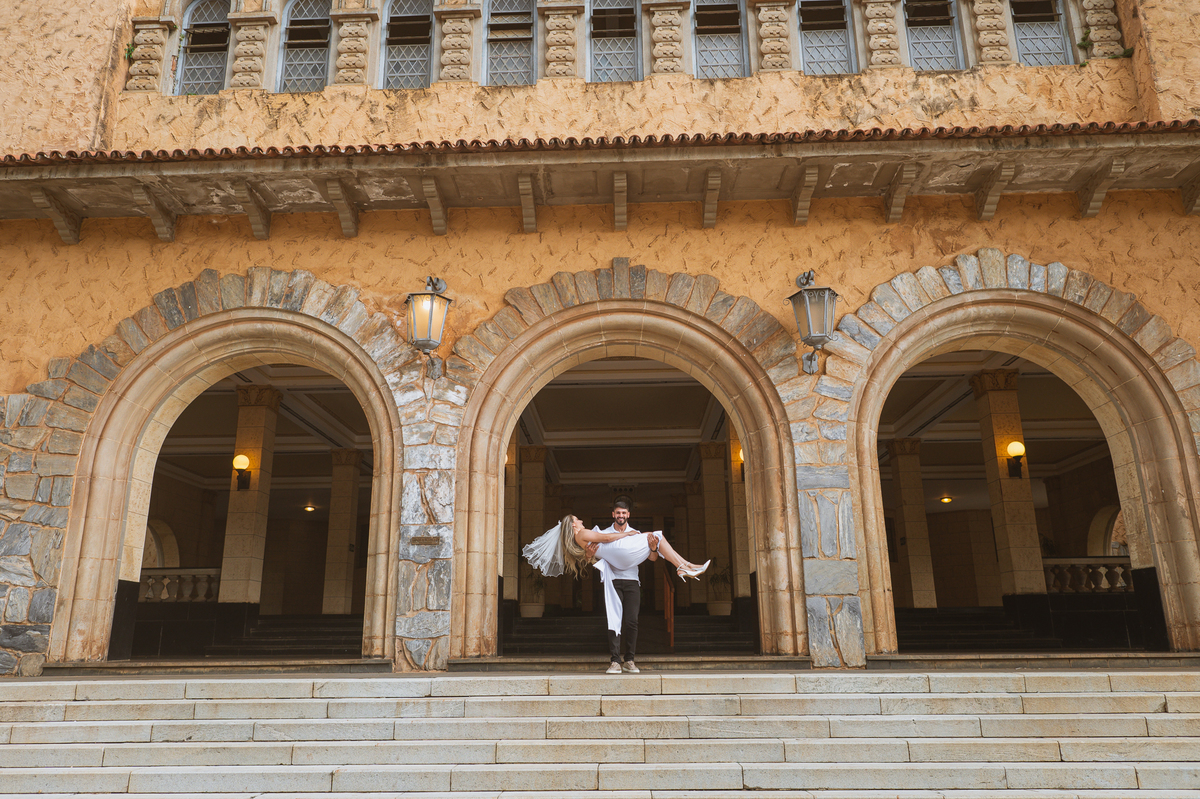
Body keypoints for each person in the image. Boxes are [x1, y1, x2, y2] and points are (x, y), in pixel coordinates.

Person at [522, 503, 709, 674]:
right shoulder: (583, 533)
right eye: (576, 520)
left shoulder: (610, 534)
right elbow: (606, 538)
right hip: (614, 575)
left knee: (632, 619)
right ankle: (614, 661)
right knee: (614, 618)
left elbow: (652, 559)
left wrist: (652, 548)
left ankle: (629, 660)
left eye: (624, 512)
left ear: (628, 514)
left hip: (631, 578)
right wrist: (621, 537)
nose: (580, 520)